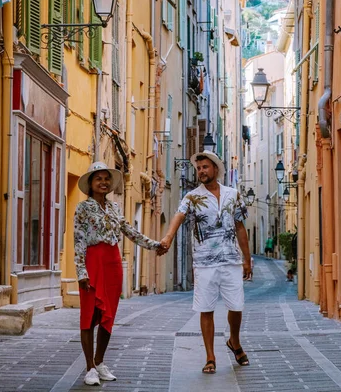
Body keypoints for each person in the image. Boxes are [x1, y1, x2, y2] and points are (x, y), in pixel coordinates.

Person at [159, 151, 252, 375]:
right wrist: (168, 238)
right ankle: (210, 356)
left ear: (215, 169)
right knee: (206, 308)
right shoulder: (191, 197)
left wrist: (247, 260)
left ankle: (234, 341)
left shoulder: (233, 194)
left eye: (205, 167)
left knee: (236, 306)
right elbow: (179, 217)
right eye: (198, 168)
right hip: (204, 262)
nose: (201, 171)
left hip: (231, 260)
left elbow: (240, 227)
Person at [74, 162, 161, 386]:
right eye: (98, 179)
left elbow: (130, 231)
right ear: (91, 184)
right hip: (93, 262)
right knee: (89, 316)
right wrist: (81, 271)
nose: (103, 182)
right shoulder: (83, 209)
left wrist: (155, 245)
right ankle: (89, 367)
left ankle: (100, 362)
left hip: (113, 263)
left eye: (106, 179)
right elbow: (79, 240)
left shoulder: (114, 208)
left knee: (108, 316)